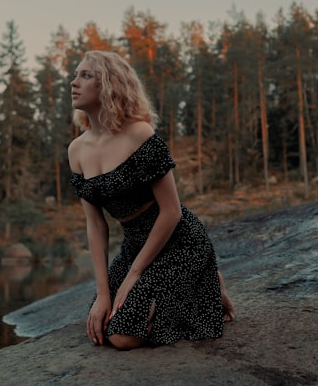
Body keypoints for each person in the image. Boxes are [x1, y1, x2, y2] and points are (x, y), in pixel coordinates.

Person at [67, 50, 235, 350]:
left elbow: (171, 212)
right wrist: (103, 293)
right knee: (102, 328)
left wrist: (134, 274)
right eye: (76, 74)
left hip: (178, 242)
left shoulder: (138, 134)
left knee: (122, 336)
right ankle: (201, 285)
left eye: (85, 75)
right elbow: (95, 225)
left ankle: (204, 282)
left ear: (109, 84)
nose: (73, 82)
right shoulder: (76, 151)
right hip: (133, 247)